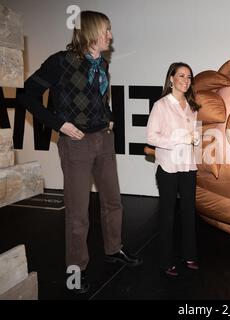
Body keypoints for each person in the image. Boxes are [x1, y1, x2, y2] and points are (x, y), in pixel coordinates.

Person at [18, 11, 142, 294]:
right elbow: (27, 95)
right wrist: (59, 124)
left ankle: (114, 249)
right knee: (78, 211)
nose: (111, 35)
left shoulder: (103, 63)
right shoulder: (60, 62)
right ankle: (76, 269)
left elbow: (99, 98)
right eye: (107, 30)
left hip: (104, 140)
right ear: (91, 32)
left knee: (113, 201)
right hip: (76, 144)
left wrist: (109, 117)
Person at [146, 62, 201, 277]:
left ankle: (190, 254)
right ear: (171, 79)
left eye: (189, 77)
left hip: (188, 166)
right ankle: (165, 261)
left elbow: (192, 136)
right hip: (168, 166)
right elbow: (151, 138)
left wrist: (196, 140)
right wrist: (180, 138)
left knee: (189, 212)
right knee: (167, 215)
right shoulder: (161, 105)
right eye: (181, 76)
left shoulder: (191, 106)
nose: (186, 80)